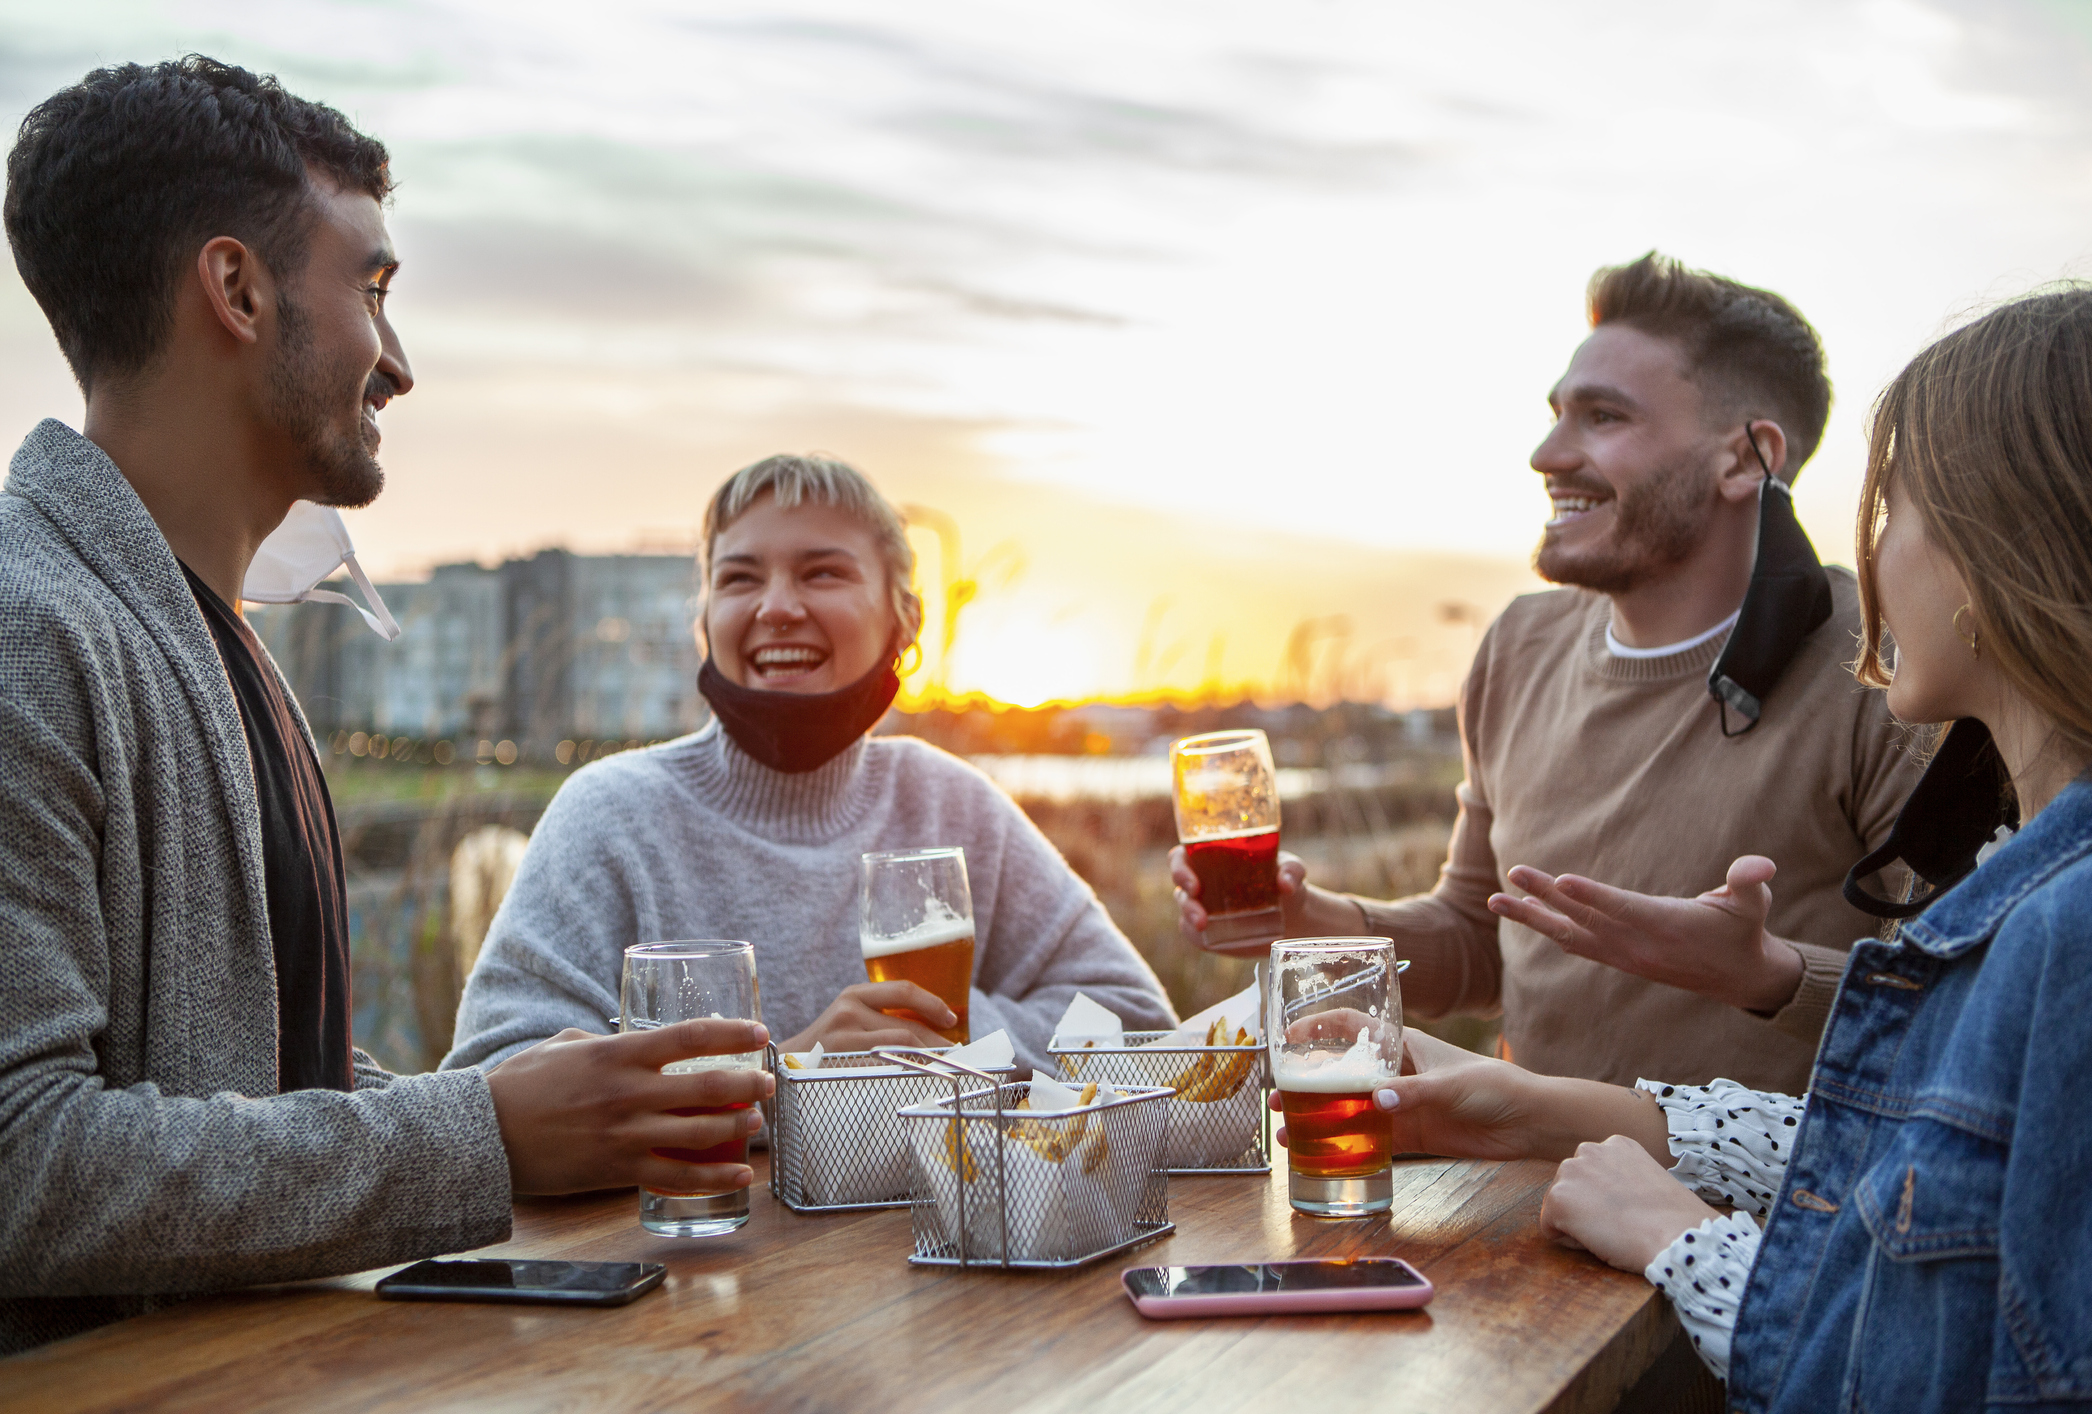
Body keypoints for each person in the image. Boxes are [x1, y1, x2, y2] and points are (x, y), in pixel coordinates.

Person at [0, 58, 772, 1353]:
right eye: (370, 288)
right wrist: (482, 1130)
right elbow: (24, 1162)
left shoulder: (218, 644)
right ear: (236, 289)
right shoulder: (29, 629)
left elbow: (251, 1086)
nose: (398, 361)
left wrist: (537, 1119)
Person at [1357, 285, 2092, 1404]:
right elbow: (1938, 1148)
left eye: (1896, 508)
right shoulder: (2054, 882)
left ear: (2005, 552)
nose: (1868, 555)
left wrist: (1688, 1241)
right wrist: (1529, 1103)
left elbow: (1955, 1366)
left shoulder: (2081, 913)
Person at [1173, 254, 1923, 1093]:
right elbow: (1479, 939)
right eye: (1556, 415)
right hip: (1516, 1197)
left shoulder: (1885, 667)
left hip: (1756, 1218)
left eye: (1602, 417)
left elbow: (1971, 1008)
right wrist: (1312, 920)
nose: (1546, 454)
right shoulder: (1518, 648)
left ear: (1746, 460)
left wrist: (1769, 975)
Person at [445, 454, 1176, 1073]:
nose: (776, 607)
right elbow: (497, 1080)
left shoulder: (950, 804)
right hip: (697, 1243)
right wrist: (797, 1073)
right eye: (738, 579)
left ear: (904, 619)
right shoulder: (610, 815)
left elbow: (1137, 1026)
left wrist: (940, 1038)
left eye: (822, 573)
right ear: (704, 625)